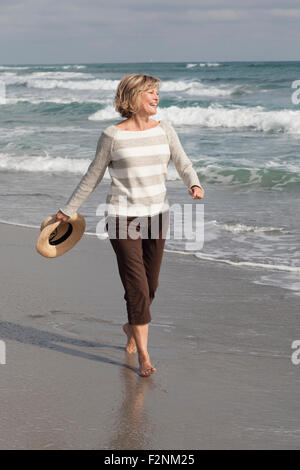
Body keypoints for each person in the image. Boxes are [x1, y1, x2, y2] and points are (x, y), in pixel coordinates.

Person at [55, 73, 204, 377]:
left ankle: (131, 326)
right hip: (123, 218)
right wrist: (68, 209)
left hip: (158, 216)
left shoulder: (165, 130)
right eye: (150, 92)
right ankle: (144, 356)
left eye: (157, 92)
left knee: (151, 285)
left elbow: (183, 162)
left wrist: (194, 184)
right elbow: (93, 176)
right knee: (136, 285)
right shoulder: (113, 136)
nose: (156, 97)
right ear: (133, 98)